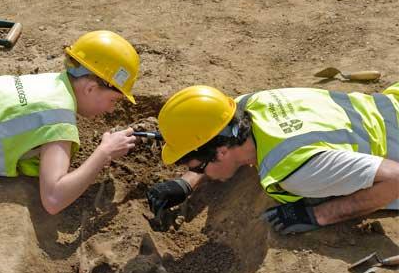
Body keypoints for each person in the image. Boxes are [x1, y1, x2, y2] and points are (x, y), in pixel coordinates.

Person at [0, 30, 141, 214]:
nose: (112, 109)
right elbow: (53, 200)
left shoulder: (49, 82)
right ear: (90, 88)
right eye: (113, 100)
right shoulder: (58, 121)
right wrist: (104, 153)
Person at [147, 84, 399, 234]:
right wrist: (186, 183)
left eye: (200, 167)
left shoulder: (294, 169)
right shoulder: (251, 104)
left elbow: (395, 179)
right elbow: (212, 132)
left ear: (221, 152)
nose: (205, 174)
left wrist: (319, 215)